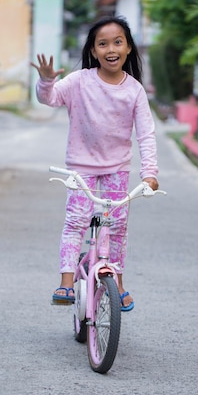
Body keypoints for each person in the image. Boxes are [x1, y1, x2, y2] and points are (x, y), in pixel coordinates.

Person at [31, 15, 159, 310]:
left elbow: (147, 135)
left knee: (117, 226)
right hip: (81, 168)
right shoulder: (79, 82)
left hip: (117, 170)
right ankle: (66, 284)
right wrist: (46, 80)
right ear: (93, 50)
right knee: (76, 222)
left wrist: (150, 174)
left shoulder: (135, 91)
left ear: (128, 48)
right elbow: (49, 98)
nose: (110, 49)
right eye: (103, 43)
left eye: (118, 42)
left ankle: (120, 283)